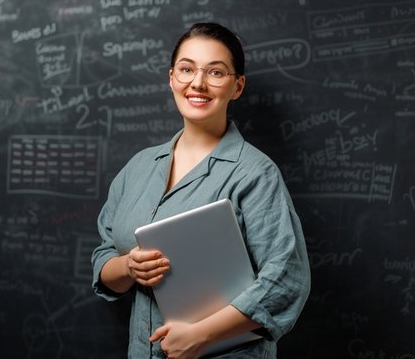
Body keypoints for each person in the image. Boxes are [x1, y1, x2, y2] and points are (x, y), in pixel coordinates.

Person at [91, 22, 310, 359]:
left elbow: (286, 281)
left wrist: (200, 336)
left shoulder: (254, 173)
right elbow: (105, 255)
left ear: (237, 87)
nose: (198, 83)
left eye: (216, 72)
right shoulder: (139, 166)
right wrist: (127, 268)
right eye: (187, 69)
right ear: (171, 78)